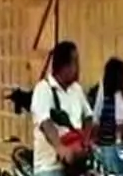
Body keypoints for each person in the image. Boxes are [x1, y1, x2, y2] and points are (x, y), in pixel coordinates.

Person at [30, 40, 93, 176]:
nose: (78, 68)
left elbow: (88, 117)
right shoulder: (43, 89)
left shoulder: (76, 89)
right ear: (64, 67)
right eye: (75, 62)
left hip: (76, 164)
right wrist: (60, 148)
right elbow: (46, 123)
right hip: (50, 167)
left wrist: (86, 141)